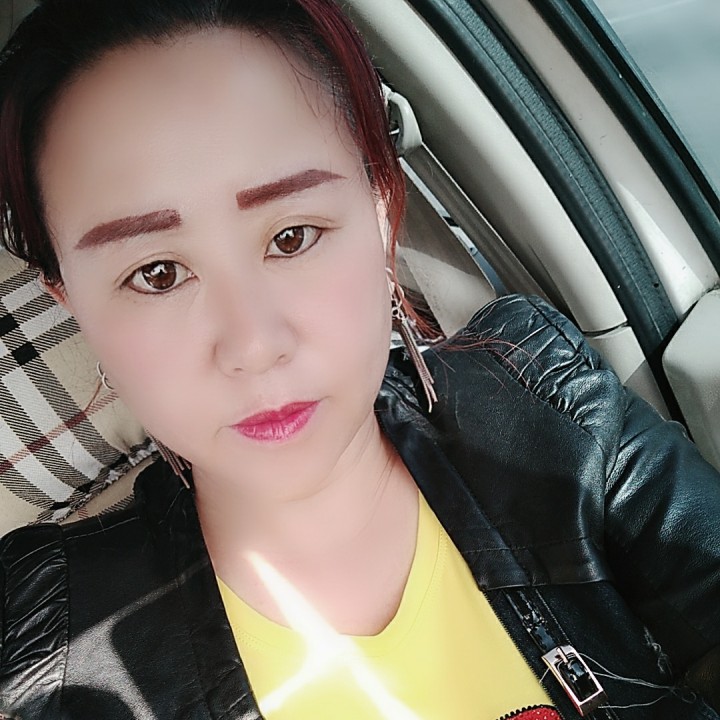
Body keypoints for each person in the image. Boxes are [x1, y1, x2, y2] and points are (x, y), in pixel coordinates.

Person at [0, 0, 718, 718]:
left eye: (292, 237)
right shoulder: (50, 656)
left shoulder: (554, 416)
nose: (254, 345)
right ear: (72, 301)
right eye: (157, 274)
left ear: (381, 210)